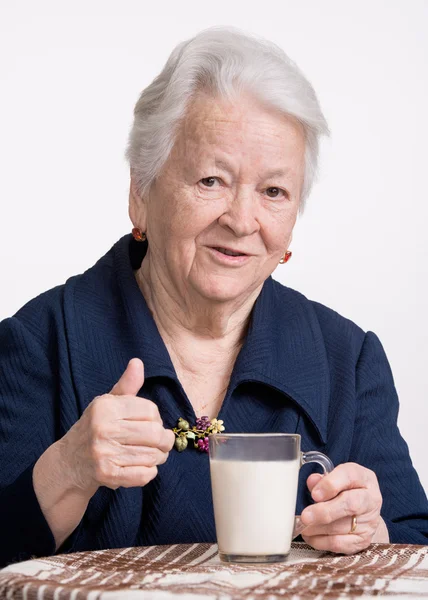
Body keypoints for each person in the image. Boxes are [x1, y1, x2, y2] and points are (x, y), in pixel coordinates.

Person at [0, 26, 427, 568]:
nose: (242, 221)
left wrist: (373, 531)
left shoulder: (347, 359)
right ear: (140, 193)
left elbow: (417, 548)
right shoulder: (40, 343)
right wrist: (66, 472)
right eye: (211, 180)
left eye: (273, 191)